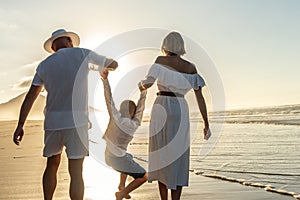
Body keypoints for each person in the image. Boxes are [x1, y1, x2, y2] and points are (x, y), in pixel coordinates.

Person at [12, 29, 118, 200]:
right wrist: (104, 68)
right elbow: (113, 64)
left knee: (52, 165)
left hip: (53, 123)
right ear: (69, 41)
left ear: (53, 47)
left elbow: (31, 96)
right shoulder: (83, 53)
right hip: (77, 123)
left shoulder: (45, 64)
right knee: (76, 171)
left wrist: (20, 125)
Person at [138, 31, 210, 200]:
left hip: (162, 106)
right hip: (180, 109)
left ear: (166, 45)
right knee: (178, 155)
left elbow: (147, 84)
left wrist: (141, 85)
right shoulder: (191, 67)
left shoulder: (160, 61)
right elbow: (200, 98)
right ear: (181, 46)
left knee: (162, 154)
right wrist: (206, 123)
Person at [100, 69, 148, 200]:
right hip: (118, 160)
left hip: (108, 157)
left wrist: (105, 80)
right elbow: (141, 109)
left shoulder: (115, 117)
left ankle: (121, 185)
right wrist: (143, 92)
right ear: (132, 113)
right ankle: (121, 193)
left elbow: (108, 99)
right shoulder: (134, 124)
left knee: (128, 156)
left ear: (121, 109)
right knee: (144, 176)